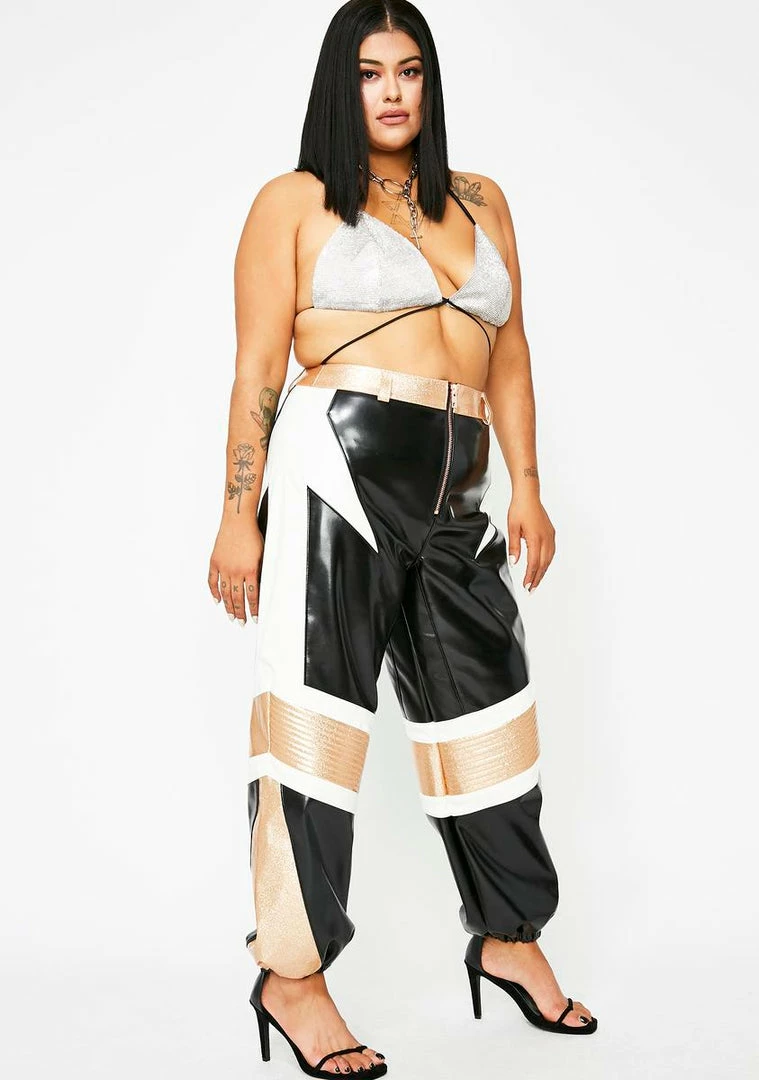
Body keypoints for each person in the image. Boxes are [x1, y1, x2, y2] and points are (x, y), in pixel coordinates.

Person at [207, 1, 597, 1074]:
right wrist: (237, 512)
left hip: (457, 489)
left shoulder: (482, 200)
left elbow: (510, 355)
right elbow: (258, 366)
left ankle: (508, 936)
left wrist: (528, 487)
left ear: (429, 84)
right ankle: (293, 977)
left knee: (489, 716)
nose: (390, 90)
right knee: (316, 724)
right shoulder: (294, 202)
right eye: (370, 71)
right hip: (338, 468)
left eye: (409, 70)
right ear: (343, 85)